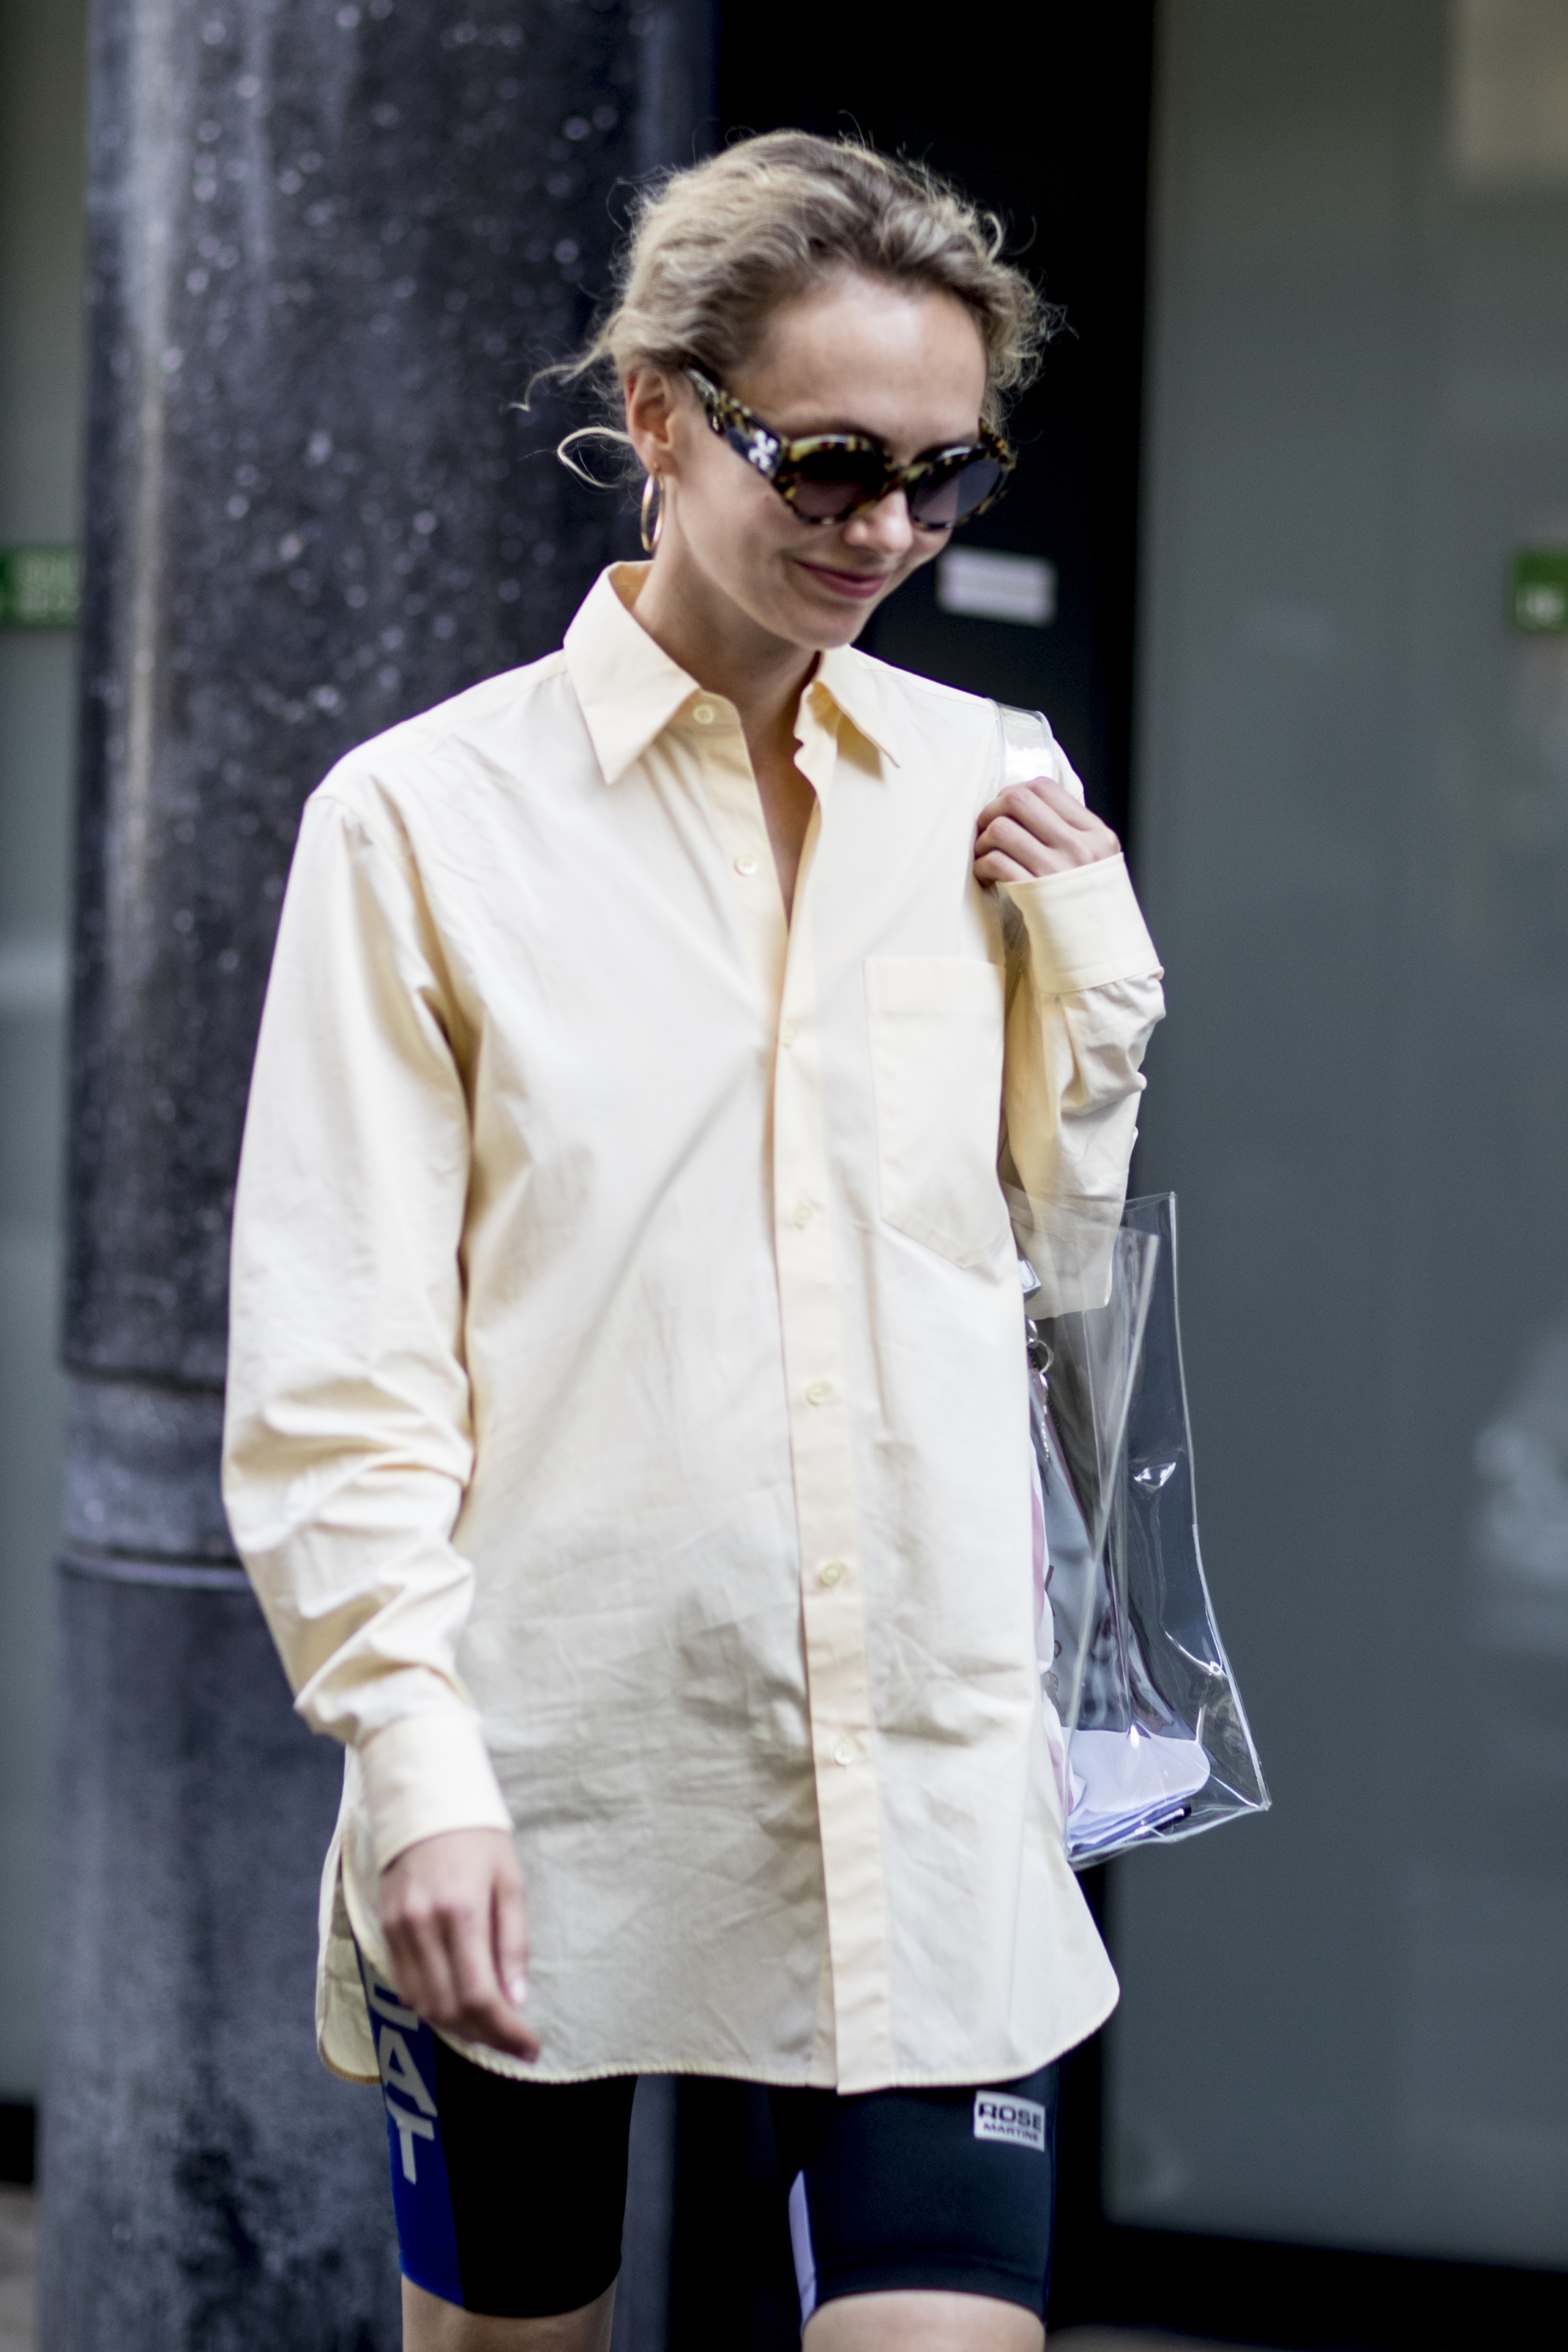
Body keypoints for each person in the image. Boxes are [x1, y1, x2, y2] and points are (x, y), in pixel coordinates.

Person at [223, 130, 1163, 2352]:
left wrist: (1101, 985)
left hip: (927, 1772)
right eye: (828, 463)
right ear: (657, 413)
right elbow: (342, 1363)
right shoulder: (425, 822)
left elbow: (1047, 1270)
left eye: (947, 476)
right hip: (556, 1773)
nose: (888, 531)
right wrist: (414, 1768)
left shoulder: (985, 782)